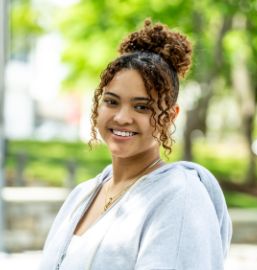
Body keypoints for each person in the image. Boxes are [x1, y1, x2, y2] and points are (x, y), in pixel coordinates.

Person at [39, 19, 232, 270]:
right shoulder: (82, 195)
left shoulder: (179, 198)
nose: (122, 117)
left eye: (142, 107)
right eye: (112, 101)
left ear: (170, 117)